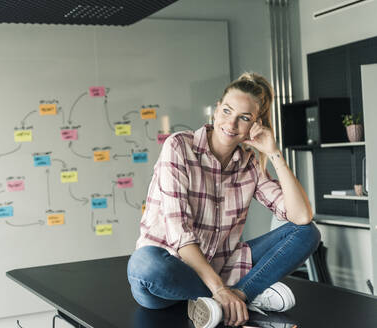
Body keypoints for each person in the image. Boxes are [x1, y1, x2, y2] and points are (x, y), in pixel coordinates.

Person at [127, 72, 321, 328]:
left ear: (255, 124)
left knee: (307, 233)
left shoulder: (249, 164)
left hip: (224, 266)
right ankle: (232, 297)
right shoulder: (179, 147)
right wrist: (219, 290)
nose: (231, 124)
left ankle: (239, 295)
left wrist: (274, 154)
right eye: (227, 111)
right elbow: (180, 235)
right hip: (171, 272)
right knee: (144, 264)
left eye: (244, 118)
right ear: (216, 110)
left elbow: (301, 216)